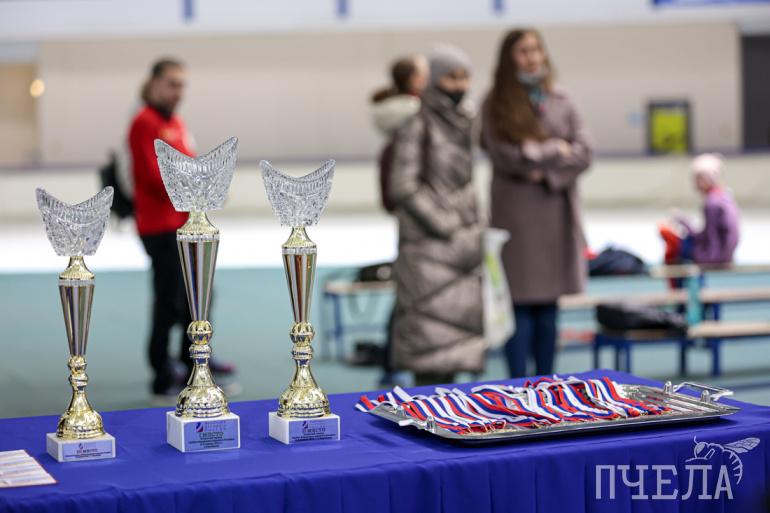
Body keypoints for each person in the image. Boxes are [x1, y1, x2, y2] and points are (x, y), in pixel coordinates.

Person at [481, 29, 593, 378]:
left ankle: (546, 381)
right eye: (523, 51)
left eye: (535, 49)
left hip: (555, 212)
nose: (531, 57)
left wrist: (544, 171)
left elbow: (584, 152)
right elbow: (505, 154)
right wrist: (555, 149)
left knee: (548, 307)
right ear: (509, 58)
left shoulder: (562, 98)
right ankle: (517, 384)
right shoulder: (495, 102)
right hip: (516, 217)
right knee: (519, 304)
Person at [128, 58, 234, 400]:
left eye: (182, 85)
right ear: (154, 83)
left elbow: (189, 163)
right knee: (169, 300)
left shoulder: (175, 122)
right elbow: (154, 176)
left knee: (197, 297)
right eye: (172, 83)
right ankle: (161, 372)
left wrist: (206, 182)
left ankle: (194, 361)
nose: (178, 91)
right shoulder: (144, 122)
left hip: (185, 224)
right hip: (160, 226)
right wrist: (197, 185)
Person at [389, 45, 485, 386]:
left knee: (453, 355)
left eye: (464, 77)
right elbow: (402, 185)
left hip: (461, 251)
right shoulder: (416, 124)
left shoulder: (465, 122)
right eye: (451, 77)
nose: (459, 85)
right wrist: (445, 223)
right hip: (428, 251)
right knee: (429, 355)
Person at [369, 55, 429, 385]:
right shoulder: (416, 117)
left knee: (410, 292)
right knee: (410, 292)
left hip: (414, 216)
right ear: (413, 79)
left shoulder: (403, 120)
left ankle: (395, 361)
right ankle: (395, 361)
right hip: (416, 219)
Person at [370, 55, 429, 212]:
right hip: (416, 180)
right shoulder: (419, 111)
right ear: (414, 78)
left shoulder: (390, 111)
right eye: (426, 73)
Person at [659, 153, 740, 267]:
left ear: (707, 179)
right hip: (723, 254)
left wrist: (683, 222)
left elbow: (708, 239)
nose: (695, 184)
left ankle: (674, 278)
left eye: (697, 179)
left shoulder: (712, 203)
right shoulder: (723, 196)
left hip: (714, 257)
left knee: (666, 234)